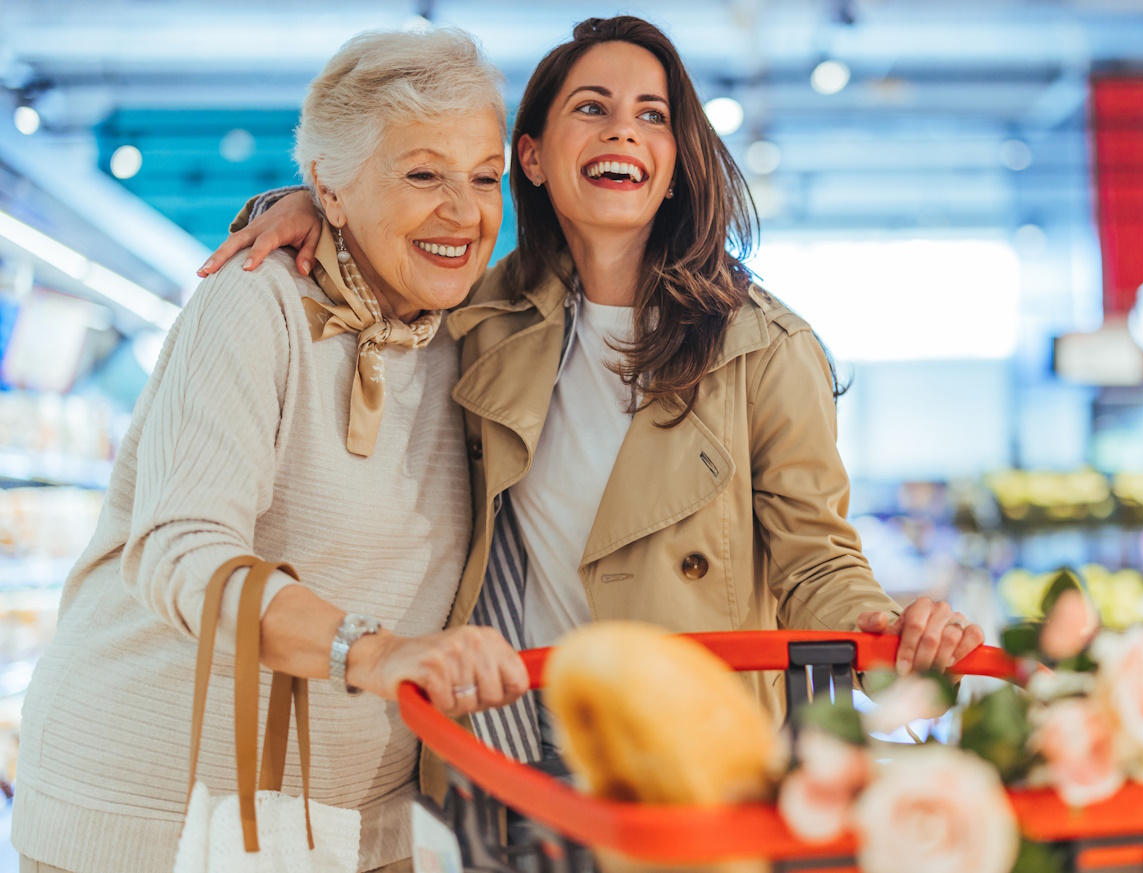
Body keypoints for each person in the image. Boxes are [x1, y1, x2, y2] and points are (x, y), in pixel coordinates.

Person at [203, 16, 987, 777]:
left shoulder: (764, 349)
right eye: (592, 108)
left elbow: (816, 556)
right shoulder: (480, 314)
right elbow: (382, 254)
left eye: (652, 115)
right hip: (509, 744)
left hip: (689, 754)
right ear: (532, 159)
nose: (622, 131)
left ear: (674, 163)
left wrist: (881, 622)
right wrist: (305, 200)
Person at [12, 28, 528, 873]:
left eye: (484, 177)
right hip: (158, 814)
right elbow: (184, 549)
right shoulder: (257, 302)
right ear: (327, 183)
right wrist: (374, 652)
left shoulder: (469, 336)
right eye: (423, 173)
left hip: (349, 816)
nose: (465, 212)